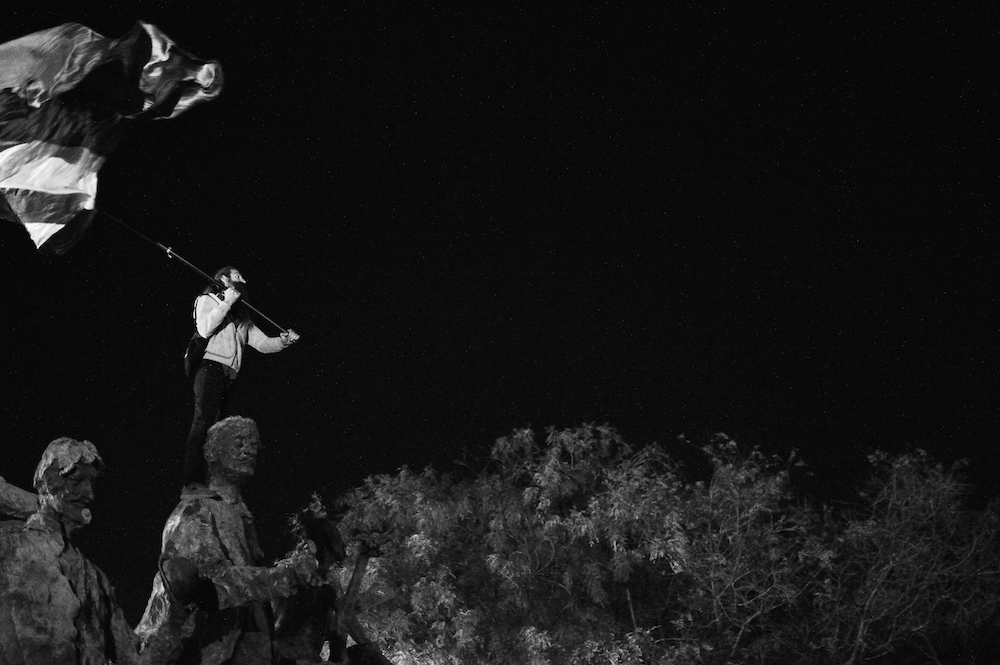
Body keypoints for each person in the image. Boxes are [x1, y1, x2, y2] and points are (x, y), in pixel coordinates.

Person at [136, 416, 319, 665]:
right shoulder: (194, 510)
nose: (249, 449)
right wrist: (288, 575)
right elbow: (214, 583)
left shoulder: (240, 516)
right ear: (211, 451)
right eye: (239, 442)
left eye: (254, 444)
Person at [0, 438, 139, 664]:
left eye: (92, 484)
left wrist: (175, 607)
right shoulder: (8, 544)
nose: (89, 495)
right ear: (49, 480)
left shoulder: (96, 579)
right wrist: (32, 502)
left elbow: (133, 660)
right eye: (76, 480)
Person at [183, 266, 300, 487]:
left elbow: (263, 344)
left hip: (231, 375)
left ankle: (215, 483)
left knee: (224, 430)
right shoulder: (208, 300)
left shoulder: (242, 316)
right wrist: (226, 301)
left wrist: (283, 341)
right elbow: (205, 328)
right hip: (210, 367)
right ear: (224, 279)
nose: (243, 280)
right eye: (238, 276)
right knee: (203, 421)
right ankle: (192, 482)